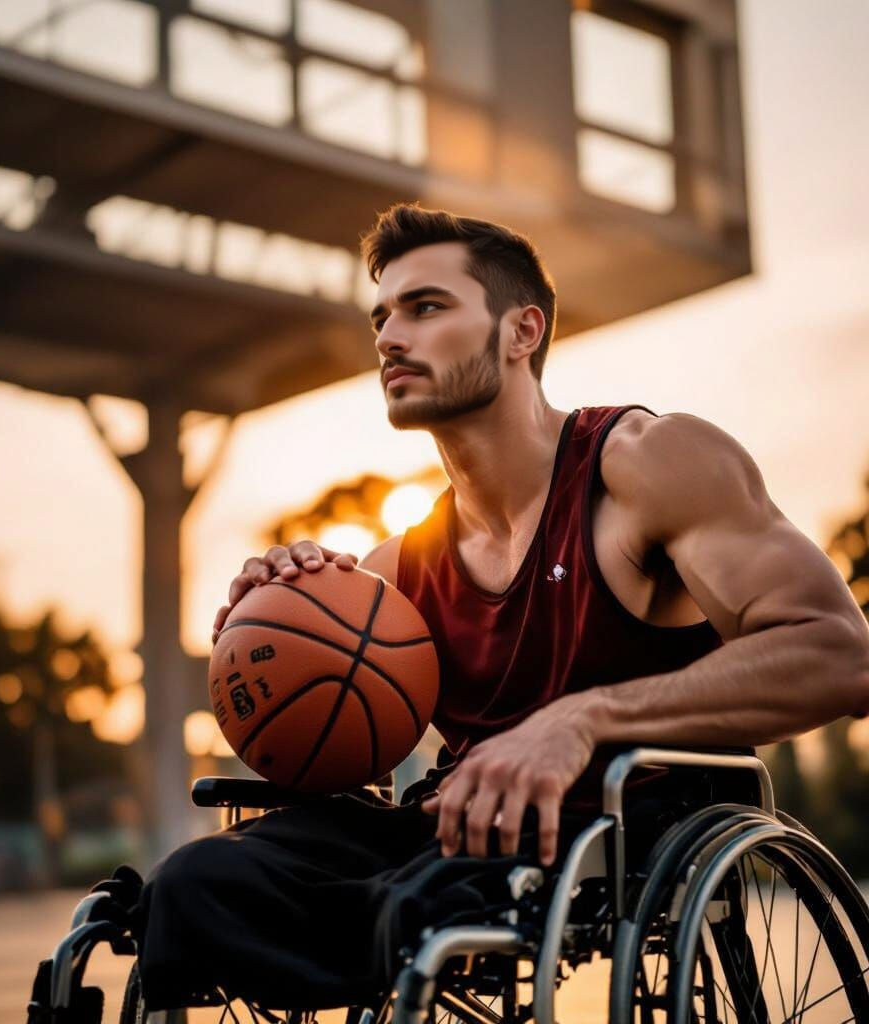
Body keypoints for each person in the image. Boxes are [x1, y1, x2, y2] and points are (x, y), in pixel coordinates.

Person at [138, 204, 869, 1011]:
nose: (387, 338)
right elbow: (344, 767)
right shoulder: (398, 570)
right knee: (194, 882)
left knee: (415, 910)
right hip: (461, 825)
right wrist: (272, 634)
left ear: (523, 331)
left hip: (621, 822)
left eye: (425, 307)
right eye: (382, 316)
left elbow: (839, 653)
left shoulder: (646, 465)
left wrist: (583, 719)